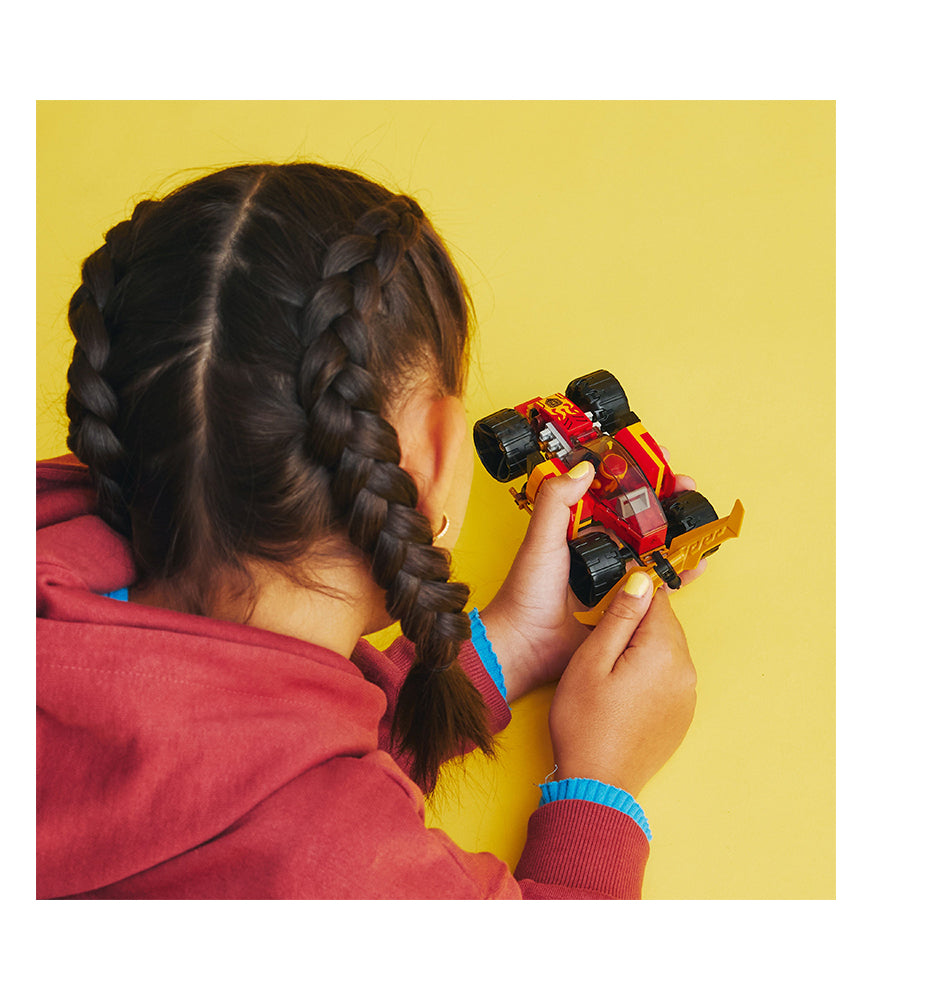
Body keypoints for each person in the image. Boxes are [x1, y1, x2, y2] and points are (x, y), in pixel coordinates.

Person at [36, 162, 699, 899]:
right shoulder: (332, 869)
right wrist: (603, 780)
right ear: (435, 453)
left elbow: (222, 743)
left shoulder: (45, 524)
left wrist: (512, 642)